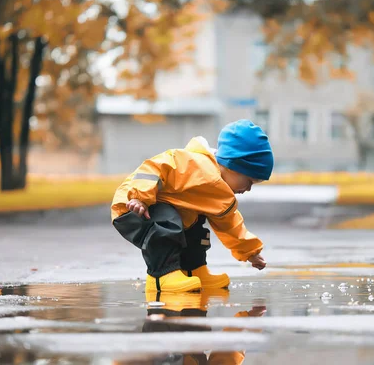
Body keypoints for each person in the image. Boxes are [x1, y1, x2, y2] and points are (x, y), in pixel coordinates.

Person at [110, 119, 273, 293]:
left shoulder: (220, 194)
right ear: (232, 165)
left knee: (197, 229)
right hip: (133, 207)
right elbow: (153, 168)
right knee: (167, 221)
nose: (248, 188)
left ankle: (194, 270)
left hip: (158, 207)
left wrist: (250, 252)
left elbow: (231, 224)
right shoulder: (192, 164)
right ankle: (161, 276)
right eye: (249, 181)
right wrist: (140, 197)